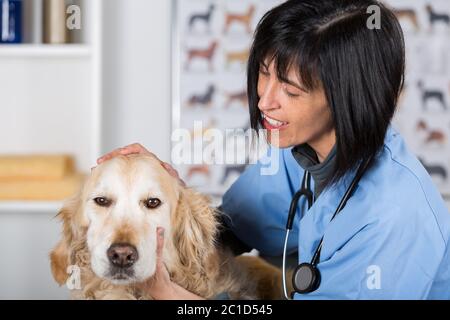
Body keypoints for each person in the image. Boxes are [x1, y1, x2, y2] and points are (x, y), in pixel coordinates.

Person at [98, 0, 450, 299]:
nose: (265, 101)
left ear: (349, 100)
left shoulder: (394, 217)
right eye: (263, 73)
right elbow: (229, 231)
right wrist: (170, 193)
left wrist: (173, 296)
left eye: (291, 91)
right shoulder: (299, 151)